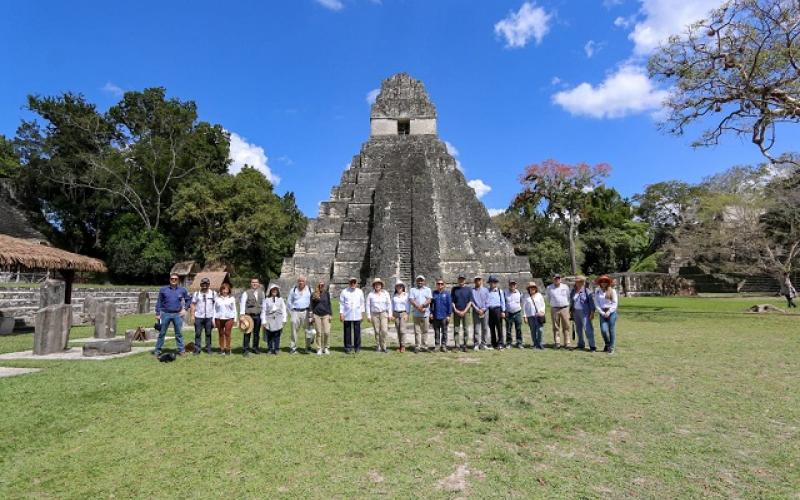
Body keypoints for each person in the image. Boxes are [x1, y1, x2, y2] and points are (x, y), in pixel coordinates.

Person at [154, 273, 192, 357]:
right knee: (162, 333)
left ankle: (181, 351)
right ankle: (157, 351)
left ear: (178, 280)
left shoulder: (182, 290)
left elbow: (188, 300)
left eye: (175, 279)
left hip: (177, 315)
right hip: (165, 314)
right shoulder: (163, 289)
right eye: (172, 279)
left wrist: (185, 309)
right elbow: (159, 302)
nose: (174, 280)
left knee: (178, 334)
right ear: (169, 280)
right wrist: (157, 313)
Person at [570, 276, 596, 352]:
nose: (579, 283)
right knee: (578, 329)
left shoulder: (587, 291)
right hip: (575, 312)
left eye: (580, 281)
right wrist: (571, 312)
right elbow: (572, 302)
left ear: (583, 282)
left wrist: (592, 313)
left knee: (588, 329)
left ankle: (592, 346)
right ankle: (580, 344)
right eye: (577, 281)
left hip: (585, 313)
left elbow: (592, 303)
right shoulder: (573, 291)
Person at [339, 277, 366, 353]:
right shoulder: (344, 292)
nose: (353, 284)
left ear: (356, 283)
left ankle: (357, 347)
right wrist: (341, 314)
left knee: (357, 332)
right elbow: (341, 304)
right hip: (347, 314)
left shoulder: (360, 291)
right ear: (349, 283)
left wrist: (362, 313)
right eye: (351, 282)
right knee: (347, 332)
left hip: (357, 314)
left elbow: (362, 303)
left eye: (354, 282)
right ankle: (348, 347)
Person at [190, 277, 216, 355]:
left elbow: (216, 305)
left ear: (209, 284)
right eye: (203, 284)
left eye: (206, 284)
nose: (205, 285)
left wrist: (214, 318)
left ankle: (208, 348)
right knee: (198, 333)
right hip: (198, 317)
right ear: (201, 284)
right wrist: (192, 315)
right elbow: (193, 305)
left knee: (208, 333)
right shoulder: (196, 294)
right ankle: (197, 349)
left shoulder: (213, 293)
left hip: (209, 317)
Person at [287, 276, 312, 354]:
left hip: (306, 312)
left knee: (308, 330)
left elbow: (313, 301)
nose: (301, 282)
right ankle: (293, 347)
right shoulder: (293, 290)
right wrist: (291, 312)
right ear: (297, 282)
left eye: (302, 281)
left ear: (305, 282)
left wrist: (312, 313)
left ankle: (308, 347)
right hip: (295, 311)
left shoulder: (310, 290)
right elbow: (289, 302)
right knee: (294, 331)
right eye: (299, 281)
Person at [239, 277, 265, 354]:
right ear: (251, 284)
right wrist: (242, 316)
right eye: (253, 282)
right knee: (247, 332)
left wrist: (263, 318)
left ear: (258, 284)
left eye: (256, 282)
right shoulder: (246, 293)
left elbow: (263, 305)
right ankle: (245, 349)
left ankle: (255, 348)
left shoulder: (262, 293)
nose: (254, 284)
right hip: (248, 316)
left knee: (256, 333)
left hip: (258, 316)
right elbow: (242, 304)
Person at [366, 278, 393, 353]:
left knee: (384, 331)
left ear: (381, 285)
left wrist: (390, 314)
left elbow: (389, 304)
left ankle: (384, 346)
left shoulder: (385, 293)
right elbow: (368, 305)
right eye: (376, 284)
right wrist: (368, 316)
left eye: (379, 284)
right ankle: (378, 346)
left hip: (384, 313)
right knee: (377, 331)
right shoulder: (370, 294)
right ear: (374, 286)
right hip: (374, 314)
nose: (377, 285)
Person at [594, 275, 619, 355]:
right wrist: (602, 312)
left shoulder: (612, 291)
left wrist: (609, 312)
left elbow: (615, 303)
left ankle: (611, 348)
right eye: (602, 281)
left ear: (608, 282)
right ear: (600, 283)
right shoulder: (597, 291)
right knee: (604, 330)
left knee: (611, 330)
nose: (603, 283)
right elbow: (596, 303)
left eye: (605, 281)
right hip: (602, 312)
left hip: (612, 312)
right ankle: (607, 344)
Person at [546, 274, 571, 349]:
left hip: (564, 308)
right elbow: (548, 298)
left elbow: (568, 296)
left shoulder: (565, 287)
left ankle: (567, 343)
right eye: (555, 278)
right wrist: (554, 304)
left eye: (558, 278)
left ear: (560, 279)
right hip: (554, 308)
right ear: (553, 279)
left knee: (566, 326)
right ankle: (557, 342)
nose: (557, 280)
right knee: (556, 326)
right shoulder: (549, 287)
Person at [409, 275, 433, 353]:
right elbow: (412, 300)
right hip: (416, 314)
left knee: (425, 330)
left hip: (425, 313)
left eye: (421, 280)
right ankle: (417, 346)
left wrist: (422, 306)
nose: (420, 282)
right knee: (417, 331)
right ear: (416, 281)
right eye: (418, 281)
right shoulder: (412, 290)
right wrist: (419, 307)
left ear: (424, 281)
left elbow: (429, 300)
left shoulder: (428, 289)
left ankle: (425, 346)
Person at [262, 284, 287, 355]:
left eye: (275, 290)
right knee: (269, 335)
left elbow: (284, 309)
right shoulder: (266, 300)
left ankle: (276, 349)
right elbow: (263, 310)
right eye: (273, 290)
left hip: (278, 319)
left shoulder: (281, 299)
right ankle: (270, 349)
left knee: (277, 335)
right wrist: (263, 320)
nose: (274, 291)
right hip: (269, 319)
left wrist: (284, 319)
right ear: (270, 291)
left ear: (277, 291)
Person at [450, 275, 473, 352]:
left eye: (462, 279)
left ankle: (465, 345)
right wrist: (456, 310)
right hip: (456, 312)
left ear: (465, 280)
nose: (461, 281)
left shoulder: (469, 289)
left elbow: (470, 301)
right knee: (456, 329)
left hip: (466, 312)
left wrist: (464, 311)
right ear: (458, 280)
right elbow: (452, 301)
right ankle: (457, 346)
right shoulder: (454, 289)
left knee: (466, 329)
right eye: (460, 279)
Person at [214, 283, 237, 356]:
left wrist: (235, 319)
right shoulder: (217, 299)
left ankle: (228, 349)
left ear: (228, 290)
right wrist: (213, 319)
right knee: (221, 334)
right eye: (223, 289)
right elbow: (214, 309)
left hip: (229, 318)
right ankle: (222, 349)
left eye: (226, 289)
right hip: (219, 318)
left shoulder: (231, 298)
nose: (225, 291)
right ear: (221, 290)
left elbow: (234, 309)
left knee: (227, 334)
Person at [431, 279, 453, 352]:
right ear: (436, 285)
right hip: (436, 316)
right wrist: (431, 313)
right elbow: (431, 305)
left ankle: (443, 346)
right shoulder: (434, 293)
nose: (440, 285)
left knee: (444, 332)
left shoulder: (447, 294)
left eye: (441, 284)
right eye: (438, 284)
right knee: (436, 332)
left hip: (444, 316)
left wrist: (449, 315)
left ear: (444, 285)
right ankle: (437, 346)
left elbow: (449, 305)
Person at [311, 280, 332, 355]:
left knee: (327, 332)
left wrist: (330, 314)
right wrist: (312, 315)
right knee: (318, 332)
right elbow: (311, 305)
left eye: (322, 285)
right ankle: (319, 348)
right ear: (317, 285)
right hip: (316, 315)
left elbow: (329, 304)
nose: (321, 286)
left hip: (326, 315)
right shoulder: (314, 294)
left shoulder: (327, 293)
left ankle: (326, 347)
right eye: (320, 285)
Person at [523, 282, 546, 350]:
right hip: (530, 316)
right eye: (530, 288)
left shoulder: (539, 295)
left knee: (540, 330)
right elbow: (524, 307)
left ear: (535, 288)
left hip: (539, 316)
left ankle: (540, 343)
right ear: (528, 289)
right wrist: (525, 316)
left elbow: (543, 304)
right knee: (533, 330)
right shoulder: (526, 296)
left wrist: (542, 312)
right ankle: (535, 344)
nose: (532, 289)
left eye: (533, 287)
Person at [486, 276, 506, 349]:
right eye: (491, 282)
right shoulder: (487, 291)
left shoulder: (500, 291)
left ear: (496, 283)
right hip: (489, 310)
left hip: (497, 309)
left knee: (499, 327)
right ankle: (493, 343)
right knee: (491, 327)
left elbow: (503, 301)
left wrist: (503, 311)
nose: (492, 284)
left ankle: (500, 343)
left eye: (494, 282)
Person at [504, 279, 524, 348]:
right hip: (508, 313)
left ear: (516, 285)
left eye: (514, 284)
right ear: (509, 285)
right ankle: (509, 343)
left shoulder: (520, 293)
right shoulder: (505, 292)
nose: (512, 285)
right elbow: (503, 302)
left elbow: (522, 302)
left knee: (518, 328)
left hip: (518, 312)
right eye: (511, 284)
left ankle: (519, 343)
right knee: (508, 329)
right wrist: (504, 311)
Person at [471, 276, 490, 350]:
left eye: (479, 280)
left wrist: (483, 309)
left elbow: (488, 301)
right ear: (474, 281)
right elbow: (471, 301)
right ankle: (476, 344)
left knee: (485, 328)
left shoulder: (486, 290)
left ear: (481, 281)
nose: (478, 281)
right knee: (476, 328)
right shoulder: (472, 291)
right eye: (476, 280)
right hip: (476, 311)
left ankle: (484, 344)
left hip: (485, 311)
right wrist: (477, 309)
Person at [392, 281, 409, 352]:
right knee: (398, 330)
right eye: (398, 286)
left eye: (400, 286)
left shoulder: (406, 295)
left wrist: (407, 314)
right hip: (396, 313)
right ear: (396, 287)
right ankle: (400, 346)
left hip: (403, 313)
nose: (399, 288)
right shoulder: (394, 295)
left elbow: (408, 305)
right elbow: (392, 305)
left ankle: (403, 346)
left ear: (403, 287)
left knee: (402, 330)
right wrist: (392, 314)